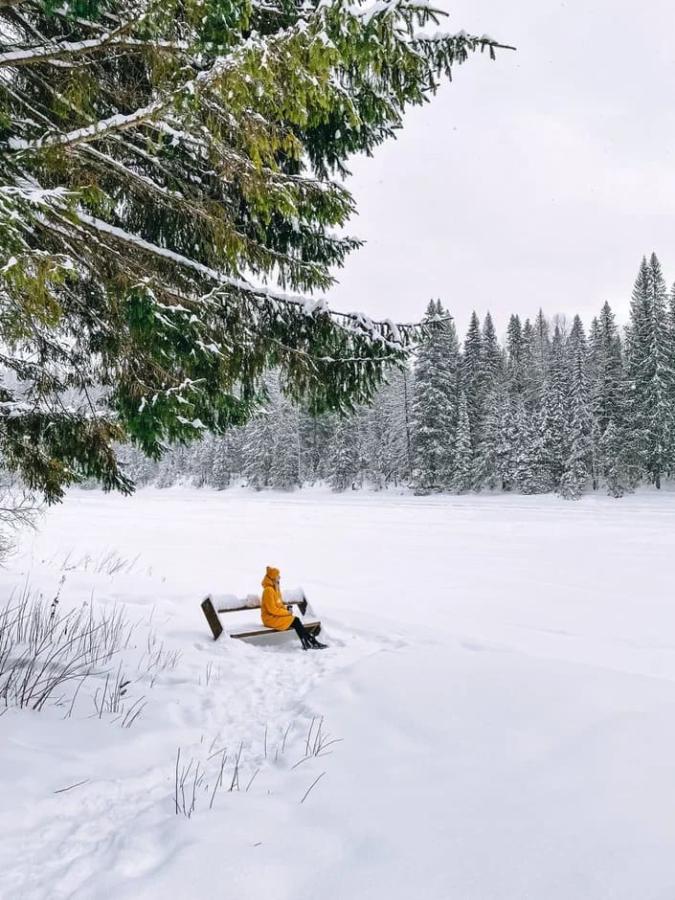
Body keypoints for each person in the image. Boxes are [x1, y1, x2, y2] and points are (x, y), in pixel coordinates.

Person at [260, 566, 327, 650]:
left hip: (275, 616)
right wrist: (287, 613)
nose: (279, 577)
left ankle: (307, 641)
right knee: (296, 620)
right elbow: (272, 609)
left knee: (296, 620)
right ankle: (310, 641)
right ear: (273, 577)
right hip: (269, 618)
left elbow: (279, 605)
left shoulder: (275, 589)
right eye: (278, 576)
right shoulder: (268, 590)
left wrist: (286, 611)